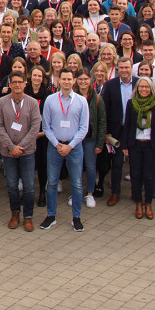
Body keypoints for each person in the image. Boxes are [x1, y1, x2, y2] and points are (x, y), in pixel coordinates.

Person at [40, 69, 89, 232]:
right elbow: (46, 126)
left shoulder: (81, 101)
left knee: (76, 184)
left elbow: (84, 128)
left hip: (74, 148)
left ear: (74, 81)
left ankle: (76, 217)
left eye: (69, 79)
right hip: (55, 147)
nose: (67, 82)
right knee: (52, 182)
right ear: (58, 80)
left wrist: (70, 146)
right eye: (64, 79)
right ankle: (51, 215)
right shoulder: (50, 100)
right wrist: (57, 144)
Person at [0, 71, 41, 231]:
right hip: (8, 152)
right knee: (12, 185)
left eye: (20, 82)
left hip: (27, 152)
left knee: (28, 186)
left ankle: (28, 216)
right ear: (10, 84)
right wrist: (11, 146)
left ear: (25, 83)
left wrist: (21, 146)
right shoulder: (1, 103)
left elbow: (35, 127)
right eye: (13, 82)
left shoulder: (32, 103)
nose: (17, 85)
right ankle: (15, 213)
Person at [122, 78, 155, 220]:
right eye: (141, 87)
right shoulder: (131, 104)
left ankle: (148, 204)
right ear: (137, 88)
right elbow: (127, 126)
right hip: (135, 145)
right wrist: (125, 145)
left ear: (151, 88)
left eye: (147, 87)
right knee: (136, 175)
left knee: (149, 176)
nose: (144, 89)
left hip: (150, 146)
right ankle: (138, 204)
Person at [98, 57, 137, 204]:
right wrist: (107, 132)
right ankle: (115, 192)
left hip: (134, 130)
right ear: (117, 69)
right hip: (117, 131)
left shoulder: (139, 83)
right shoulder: (110, 85)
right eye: (121, 68)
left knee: (135, 162)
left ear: (131, 68)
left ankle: (136, 191)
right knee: (117, 163)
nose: (124, 70)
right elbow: (104, 109)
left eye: (127, 67)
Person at [74, 68, 106, 208]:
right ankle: (76, 193)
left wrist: (100, 143)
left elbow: (102, 122)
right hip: (75, 139)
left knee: (91, 167)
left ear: (90, 80)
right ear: (76, 80)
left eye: (86, 79)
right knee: (76, 167)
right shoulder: (72, 96)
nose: (83, 82)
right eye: (80, 79)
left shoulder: (97, 99)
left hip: (90, 139)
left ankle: (90, 193)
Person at [25, 64, 51, 206]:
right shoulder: (25, 92)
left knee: (42, 165)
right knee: (27, 165)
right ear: (30, 77)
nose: (36, 78)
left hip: (42, 136)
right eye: (34, 75)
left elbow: (50, 118)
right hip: (26, 136)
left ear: (43, 79)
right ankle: (28, 193)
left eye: (39, 76)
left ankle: (42, 191)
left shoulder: (48, 96)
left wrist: (41, 133)